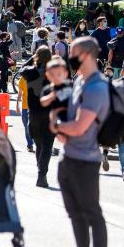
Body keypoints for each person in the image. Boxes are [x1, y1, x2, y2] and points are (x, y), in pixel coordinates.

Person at [49, 37, 109, 247]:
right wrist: (60, 128)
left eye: (72, 53)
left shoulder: (96, 87)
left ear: (85, 55)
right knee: (75, 214)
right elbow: (70, 125)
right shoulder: (79, 83)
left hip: (86, 161)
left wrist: (56, 125)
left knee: (92, 213)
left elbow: (81, 125)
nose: (67, 57)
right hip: (69, 156)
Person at [38, 57, 72, 188]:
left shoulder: (70, 88)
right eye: (53, 75)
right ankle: (42, 175)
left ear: (65, 73)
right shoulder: (48, 89)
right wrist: (53, 95)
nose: (56, 77)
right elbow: (43, 102)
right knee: (46, 149)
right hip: (48, 124)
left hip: (66, 124)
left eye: (59, 74)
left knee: (69, 151)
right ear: (48, 75)